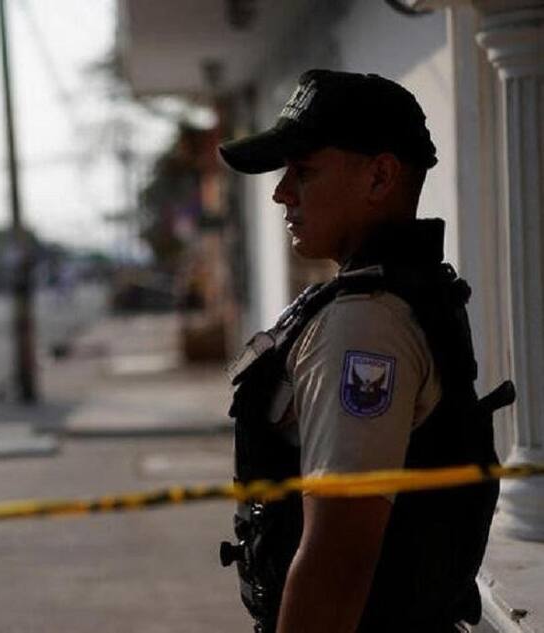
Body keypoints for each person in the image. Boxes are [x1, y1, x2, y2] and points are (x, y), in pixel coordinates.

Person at [216, 69, 513, 633]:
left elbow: (336, 565)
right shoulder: (383, 299)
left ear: (379, 177)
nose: (281, 192)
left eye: (304, 171)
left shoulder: (364, 325)